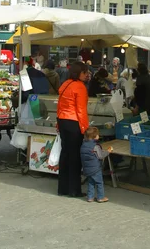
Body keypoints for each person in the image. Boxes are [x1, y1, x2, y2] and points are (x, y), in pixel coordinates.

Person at [57, 62, 90, 198]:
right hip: (73, 122)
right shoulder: (80, 87)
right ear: (79, 73)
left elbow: (60, 104)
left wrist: (58, 123)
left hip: (62, 120)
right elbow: (81, 110)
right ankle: (74, 190)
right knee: (75, 157)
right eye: (85, 72)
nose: (87, 75)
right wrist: (85, 128)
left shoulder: (65, 84)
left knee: (65, 154)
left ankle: (62, 188)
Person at [80, 126, 113, 203]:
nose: (99, 135)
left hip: (87, 168)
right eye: (98, 134)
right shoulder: (95, 146)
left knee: (91, 182)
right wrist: (108, 151)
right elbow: (101, 155)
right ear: (95, 136)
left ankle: (90, 197)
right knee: (99, 182)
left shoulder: (83, 145)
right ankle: (100, 197)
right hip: (95, 168)